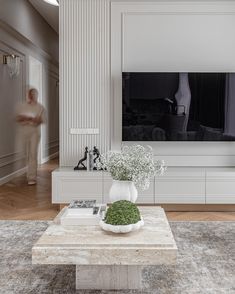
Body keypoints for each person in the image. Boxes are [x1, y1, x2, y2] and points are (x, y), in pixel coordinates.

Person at [15, 88, 46, 185]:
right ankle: (18, 174)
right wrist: (26, 118)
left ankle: (31, 178)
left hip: (34, 132)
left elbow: (41, 120)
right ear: (29, 95)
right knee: (23, 153)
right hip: (23, 131)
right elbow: (18, 118)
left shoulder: (41, 108)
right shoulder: (22, 106)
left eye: (35, 94)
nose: (33, 96)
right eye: (31, 94)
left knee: (32, 154)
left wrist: (34, 119)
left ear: (37, 95)